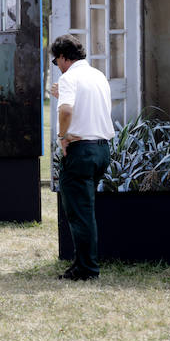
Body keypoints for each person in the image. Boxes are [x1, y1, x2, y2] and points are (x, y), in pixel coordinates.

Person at [49, 34, 114, 281]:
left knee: (80, 213)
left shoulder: (69, 78)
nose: (57, 67)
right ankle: (86, 264)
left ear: (64, 57)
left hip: (81, 150)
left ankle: (86, 268)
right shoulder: (98, 76)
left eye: (56, 62)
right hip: (101, 148)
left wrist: (62, 136)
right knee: (85, 210)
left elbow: (66, 110)